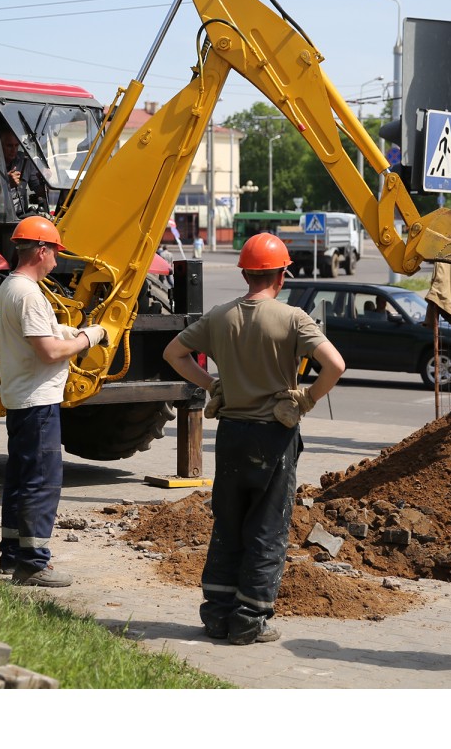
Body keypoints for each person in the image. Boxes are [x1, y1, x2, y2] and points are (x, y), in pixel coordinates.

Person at [162, 233, 346, 645]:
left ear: (246, 273)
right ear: (280, 275)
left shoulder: (220, 316)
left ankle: (217, 614)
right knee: (266, 529)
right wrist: (307, 399)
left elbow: (173, 353)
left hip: (230, 436)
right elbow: (335, 364)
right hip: (273, 438)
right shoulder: (294, 318)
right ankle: (249, 619)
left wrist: (211, 384)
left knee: (228, 524)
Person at [0, 215, 106, 588]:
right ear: (40, 250)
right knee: (41, 482)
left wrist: (68, 330)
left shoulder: (13, 288)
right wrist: (89, 338)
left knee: (20, 479)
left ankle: (12, 554)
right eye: (55, 252)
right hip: (37, 401)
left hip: (21, 398)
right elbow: (48, 351)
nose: (57, 261)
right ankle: (34, 562)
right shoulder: (28, 294)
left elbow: (40, 332)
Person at [0, 126, 47, 217]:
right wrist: (5, 182)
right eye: (9, 146)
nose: (14, 150)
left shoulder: (25, 161)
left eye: (16, 145)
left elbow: (40, 192)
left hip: (19, 216)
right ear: (0, 145)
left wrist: (44, 180)